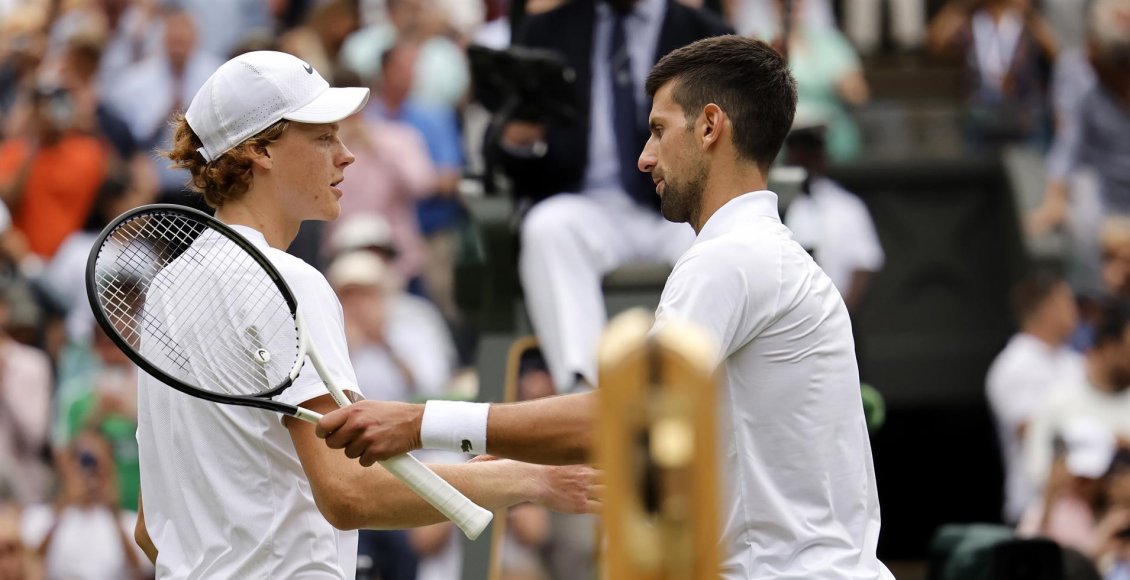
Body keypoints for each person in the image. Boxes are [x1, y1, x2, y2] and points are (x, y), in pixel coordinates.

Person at [318, 35, 893, 579]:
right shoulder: (759, 254)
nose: (644, 158)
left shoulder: (732, 258)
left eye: (658, 131)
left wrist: (419, 423)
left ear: (710, 126)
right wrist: (527, 466)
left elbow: (619, 418)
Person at [136, 50, 597, 578]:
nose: (346, 155)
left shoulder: (166, 290)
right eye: (324, 138)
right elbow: (348, 492)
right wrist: (533, 479)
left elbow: (151, 530)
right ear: (259, 151)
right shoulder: (291, 283)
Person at [495, 0, 732, 394]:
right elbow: (499, 143)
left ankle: (689, 391)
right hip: (587, 204)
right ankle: (587, 396)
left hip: (681, 205)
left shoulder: (707, 33)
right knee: (547, 228)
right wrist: (517, 140)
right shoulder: (545, 31)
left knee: (721, 237)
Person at [986, 271, 1084, 525]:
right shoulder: (1013, 365)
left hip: (1081, 505)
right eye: (1067, 302)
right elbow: (1033, 431)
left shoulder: (1077, 363)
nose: (1075, 311)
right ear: (1045, 307)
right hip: (1032, 506)